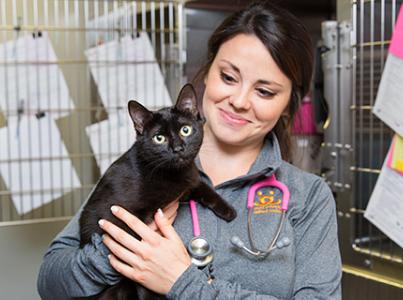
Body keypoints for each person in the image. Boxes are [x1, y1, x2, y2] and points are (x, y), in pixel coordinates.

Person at [37, 1, 342, 299]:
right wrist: (114, 251)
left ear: (289, 104)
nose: (239, 100)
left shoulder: (309, 196)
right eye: (228, 77)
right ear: (207, 74)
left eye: (264, 91)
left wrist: (182, 283)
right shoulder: (141, 167)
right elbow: (50, 282)